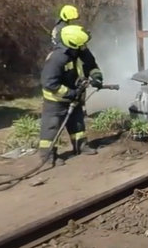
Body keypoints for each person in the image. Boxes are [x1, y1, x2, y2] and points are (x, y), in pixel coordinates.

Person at [38, 25, 104, 165]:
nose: (84, 47)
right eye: (82, 45)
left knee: (77, 122)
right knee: (52, 127)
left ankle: (81, 146)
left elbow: (91, 65)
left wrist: (97, 77)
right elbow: (49, 83)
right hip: (56, 99)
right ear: (72, 44)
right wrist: (70, 93)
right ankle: (48, 156)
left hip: (74, 94)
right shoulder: (57, 59)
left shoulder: (80, 50)